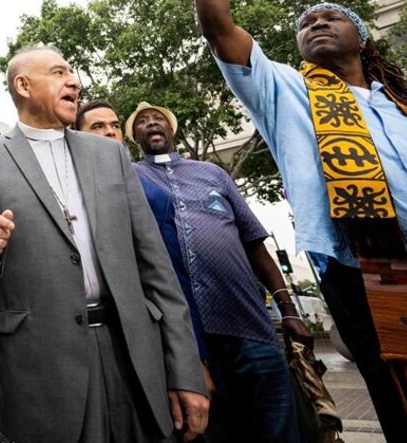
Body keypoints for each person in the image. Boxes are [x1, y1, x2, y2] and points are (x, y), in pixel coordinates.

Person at [192, 0, 407, 441]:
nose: (315, 22)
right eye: (305, 22)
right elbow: (219, 27)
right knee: (405, 399)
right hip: (364, 266)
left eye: (330, 17)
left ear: (361, 36)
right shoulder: (285, 90)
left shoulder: (406, 103)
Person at [0, 47, 209, 443]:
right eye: (59, 73)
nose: (74, 81)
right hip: (44, 364)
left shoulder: (110, 154)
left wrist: (185, 371)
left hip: (133, 354)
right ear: (23, 85)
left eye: (73, 73)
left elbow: (156, 269)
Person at [0, 83, 213, 382]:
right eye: (98, 127)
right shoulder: (55, 182)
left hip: (160, 330)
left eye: (115, 125)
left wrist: (189, 356)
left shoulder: (150, 188)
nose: (109, 133)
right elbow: (11, 164)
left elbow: (166, 275)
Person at [128, 101, 310, 442]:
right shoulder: (132, 178)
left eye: (158, 119)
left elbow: (254, 242)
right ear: (133, 137)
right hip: (191, 340)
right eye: (141, 122)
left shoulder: (213, 173)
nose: (151, 123)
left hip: (250, 325)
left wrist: (288, 309)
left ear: (171, 130)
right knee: (214, 432)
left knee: (279, 427)